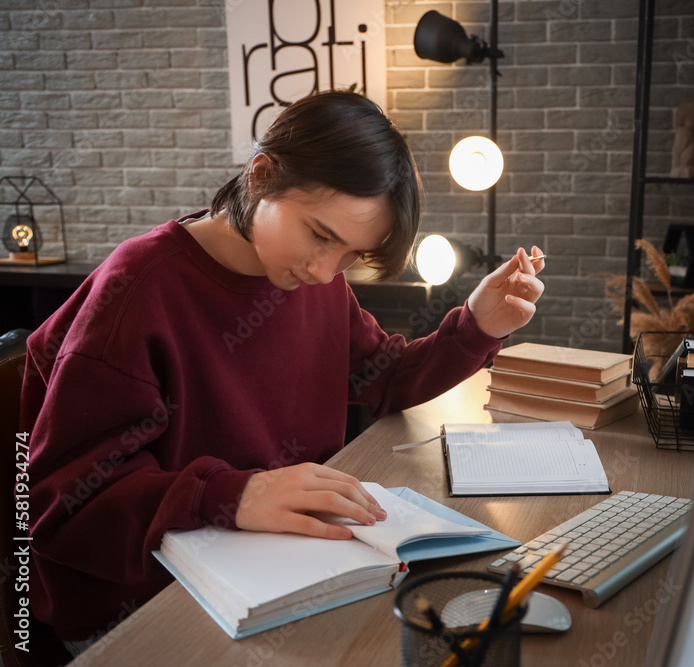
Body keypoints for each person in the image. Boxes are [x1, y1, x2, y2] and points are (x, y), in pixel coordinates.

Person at [20, 91, 545, 649]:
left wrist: (476, 327)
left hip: (287, 568)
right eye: (320, 235)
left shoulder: (310, 282)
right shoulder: (138, 291)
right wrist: (231, 495)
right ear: (262, 175)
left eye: (349, 255)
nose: (325, 272)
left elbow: (383, 377)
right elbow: (62, 505)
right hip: (146, 607)